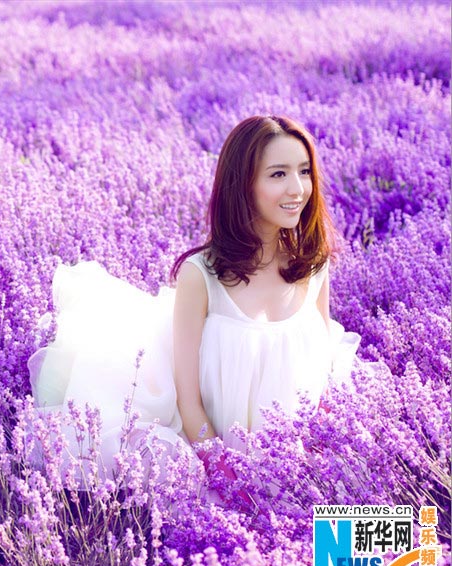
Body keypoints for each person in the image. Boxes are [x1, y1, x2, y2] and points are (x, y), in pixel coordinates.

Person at [26, 115, 361, 493]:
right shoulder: (201, 275)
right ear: (243, 185)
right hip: (213, 456)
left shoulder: (312, 265)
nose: (298, 188)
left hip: (299, 461)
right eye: (278, 174)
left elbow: (326, 369)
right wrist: (223, 471)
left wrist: (318, 452)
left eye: (304, 171)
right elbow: (189, 403)